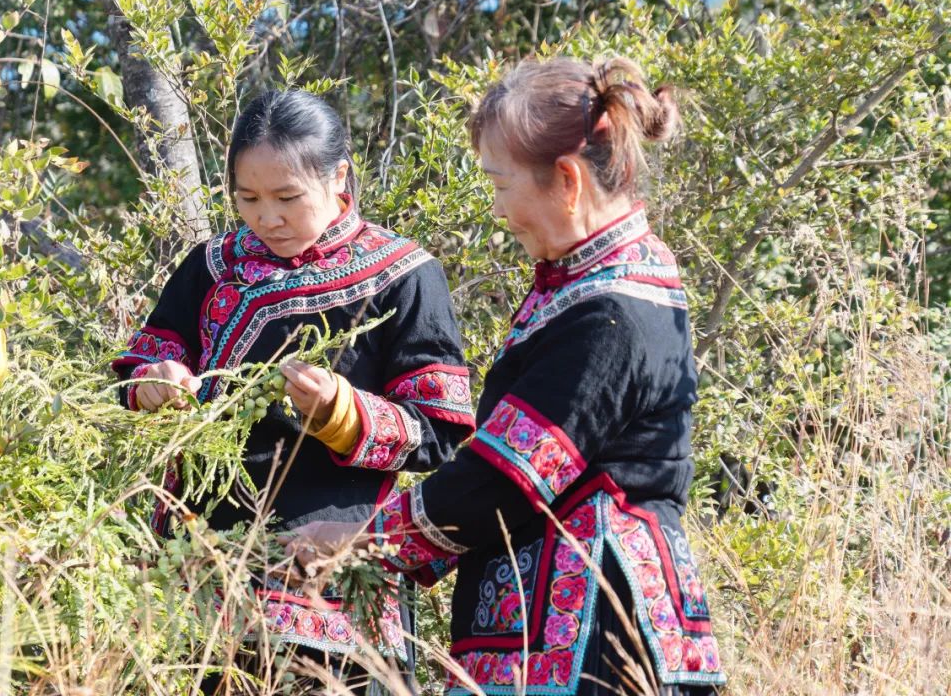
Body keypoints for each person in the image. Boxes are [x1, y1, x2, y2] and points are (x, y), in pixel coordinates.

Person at [285, 58, 727, 695]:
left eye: (500, 184)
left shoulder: (613, 312)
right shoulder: (597, 281)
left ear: (568, 180)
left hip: (590, 637)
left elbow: (509, 474)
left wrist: (362, 540)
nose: (498, 209)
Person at [112, 89, 476, 692]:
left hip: (327, 570)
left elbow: (437, 430)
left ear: (338, 177)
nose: (267, 218)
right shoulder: (211, 266)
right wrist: (154, 382)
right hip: (194, 564)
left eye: (287, 198)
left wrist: (342, 412)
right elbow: (141, 365)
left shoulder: (403, 275)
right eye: (248, 198)